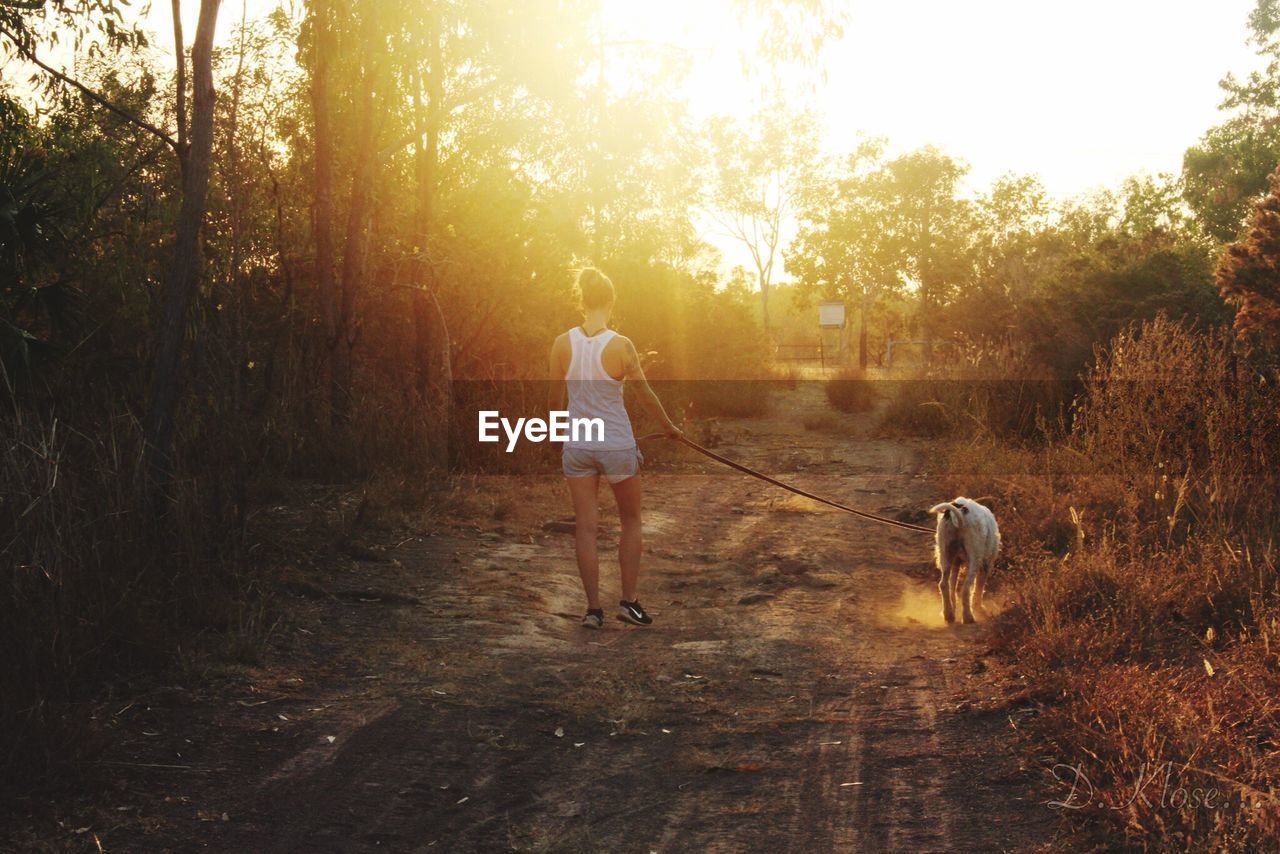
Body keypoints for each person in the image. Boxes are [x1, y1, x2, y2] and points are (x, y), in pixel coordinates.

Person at [549, 268, 681, 629]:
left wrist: (558, 435)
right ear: (610, 301)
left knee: (585, 528)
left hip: (577, 445)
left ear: (582, 301)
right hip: (616, 445)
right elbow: (645, 395)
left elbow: (554, 402)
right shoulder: (622, 345)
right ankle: (628, 602)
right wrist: (669, 428)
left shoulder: (562, 343)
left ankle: (593, 610)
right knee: (631, 520)